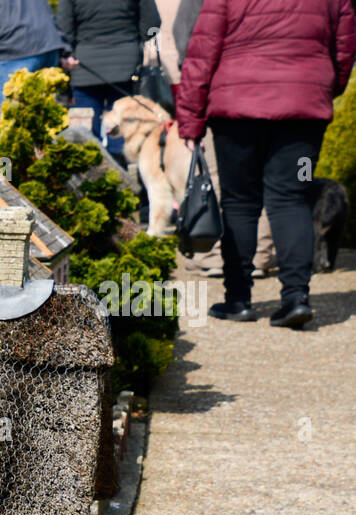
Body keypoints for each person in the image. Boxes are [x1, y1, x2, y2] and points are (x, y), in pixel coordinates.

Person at [176, 0, 354, 328]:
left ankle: (238, 300)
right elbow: (344, 49)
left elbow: (201, 51)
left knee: (240, 203)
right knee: (294, 199)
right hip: (303, 116)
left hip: (236, 115)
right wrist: (321, 89)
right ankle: (296, 298)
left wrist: (190, 119)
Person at [171, 0, 274, 279]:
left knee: (221, 180)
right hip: (282, 95)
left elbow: (186, 37)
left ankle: (216, 254)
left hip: (226, 95)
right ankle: (259, 255)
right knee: (271, 183)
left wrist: (194, 104)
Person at [58, 0, 161, 165]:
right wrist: (142, 39)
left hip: (85, 67)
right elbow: (152, 24)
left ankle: (94, 179)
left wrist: (67, 54)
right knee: (122, 131)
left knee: (87, 135)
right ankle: (124, 180)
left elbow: (64, 28)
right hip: (126, 67)